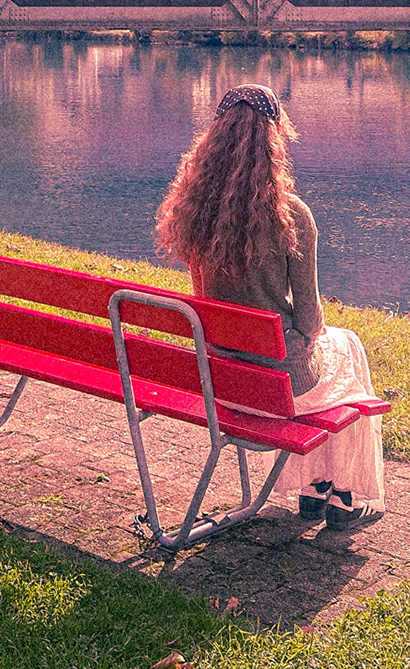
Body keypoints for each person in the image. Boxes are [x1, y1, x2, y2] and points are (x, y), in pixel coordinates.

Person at [155, 82, 387, 529]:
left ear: (214, 140)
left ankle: (314, 490)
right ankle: (341, 498)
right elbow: (310, 320)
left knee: (336, 356)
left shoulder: (194, 211)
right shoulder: (291, 215)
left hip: (226, 379)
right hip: (277, 384)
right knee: (348, 352)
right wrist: (302, 338)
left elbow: (204, 300)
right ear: (274, 139)